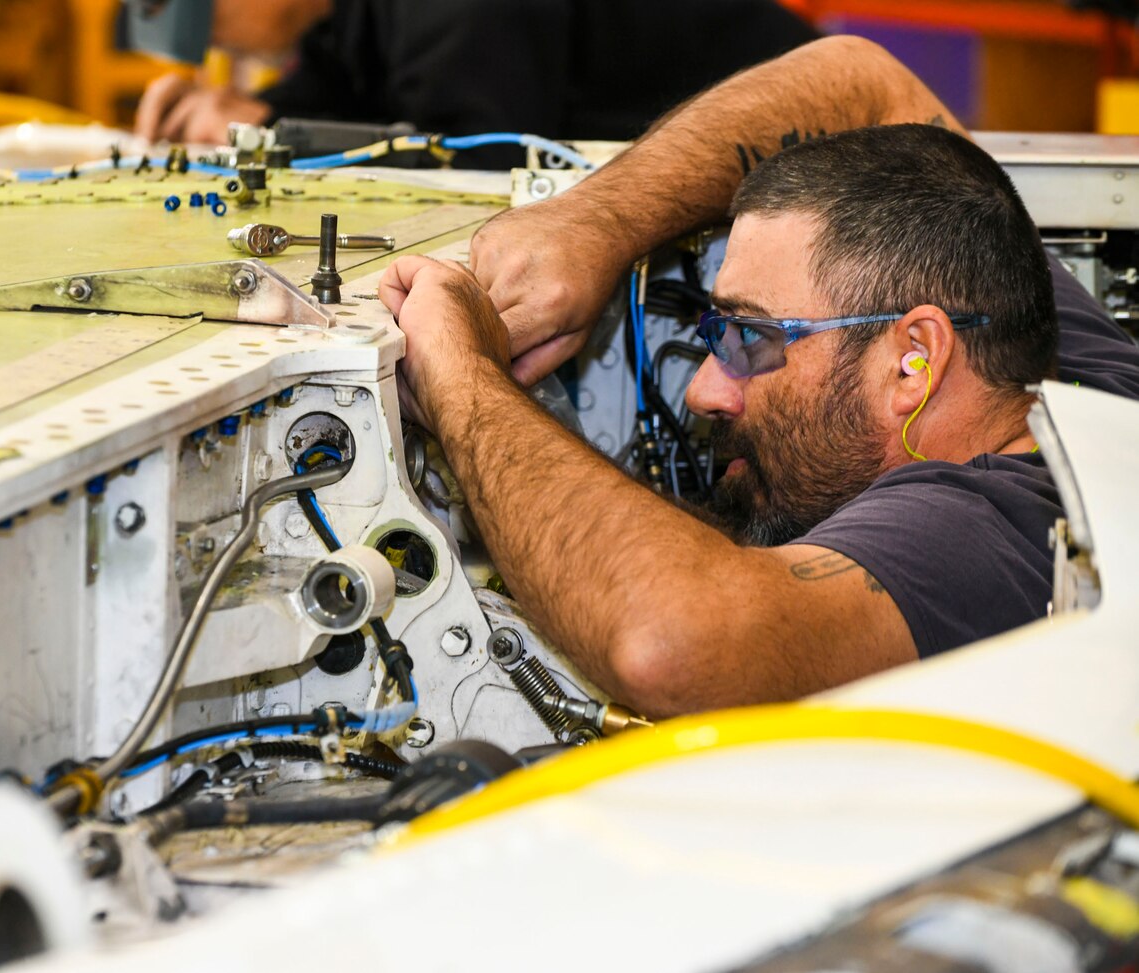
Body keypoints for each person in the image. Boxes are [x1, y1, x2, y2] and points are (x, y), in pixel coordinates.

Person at [380, 36, 1139, 716]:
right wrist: (594, 224)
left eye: (752, 336)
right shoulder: (1080, 371)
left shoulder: (991, 529)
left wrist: (463, 376)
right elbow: (866, 82)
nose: (704, 390)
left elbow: (670, 645)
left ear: (914, 360)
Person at [132, 0, 820, 166]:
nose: (221, 46)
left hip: (807, 148)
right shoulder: (351, 18)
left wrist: (275, 131)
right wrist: (246, 116)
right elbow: (342, 88)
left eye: (217, 25)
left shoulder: (453, 10)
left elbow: (486, 157)